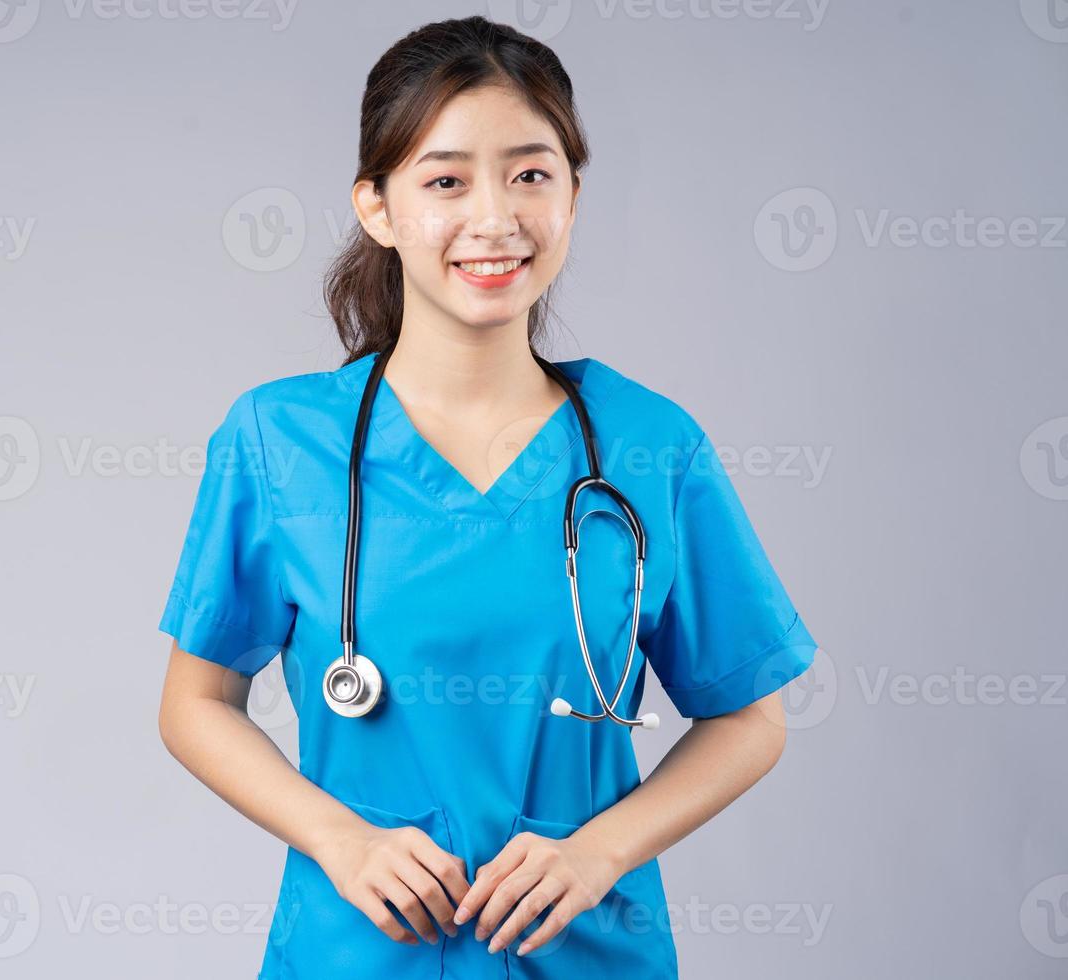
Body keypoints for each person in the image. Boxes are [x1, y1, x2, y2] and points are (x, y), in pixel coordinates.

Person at [156, 15, 818, 979]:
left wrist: (601, 852)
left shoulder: (649, 445)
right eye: (446, 179)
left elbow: (752, 719)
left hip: (588, 949)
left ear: (574, 196)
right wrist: (342, 840)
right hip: (360, 951)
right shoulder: (278, 442)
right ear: (377, 207)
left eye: (531, 173)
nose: (495, 217)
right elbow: (194, 704)